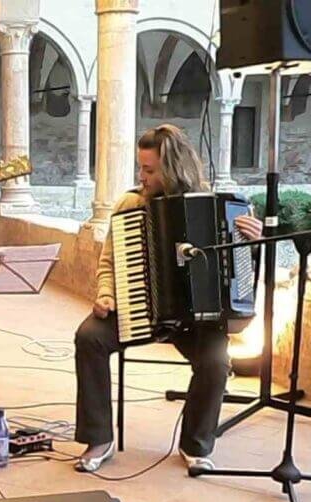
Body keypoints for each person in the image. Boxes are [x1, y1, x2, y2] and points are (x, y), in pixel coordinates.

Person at [73, 124, 263, 473]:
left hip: (195, 320)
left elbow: (238, 276)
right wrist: (105, 296)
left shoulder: (220, 208)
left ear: (173, 169)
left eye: (149, 170)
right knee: (89, 336)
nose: (141, 177)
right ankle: (99, 437)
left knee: (216, 361)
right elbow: (109, 262)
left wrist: (250, 241)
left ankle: (195, 445)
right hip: (138, 307)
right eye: (140, 169)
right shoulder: (131, 205)